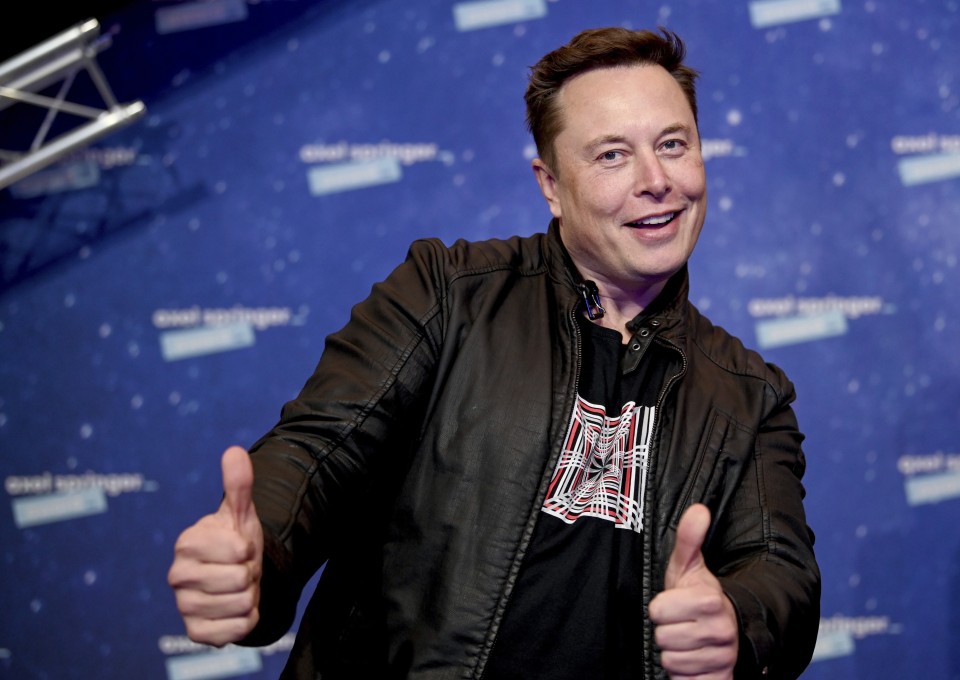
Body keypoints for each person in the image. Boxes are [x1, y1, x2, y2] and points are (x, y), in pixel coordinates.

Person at [168, 26, 821, 680]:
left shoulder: (751, 395)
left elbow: (780, 572)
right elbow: (318, 455)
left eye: (673, 145)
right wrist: (259, 554)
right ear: (551, 184)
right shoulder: (446, 295)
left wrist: (736, 621)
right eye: (612, 155)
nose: (656, 181)